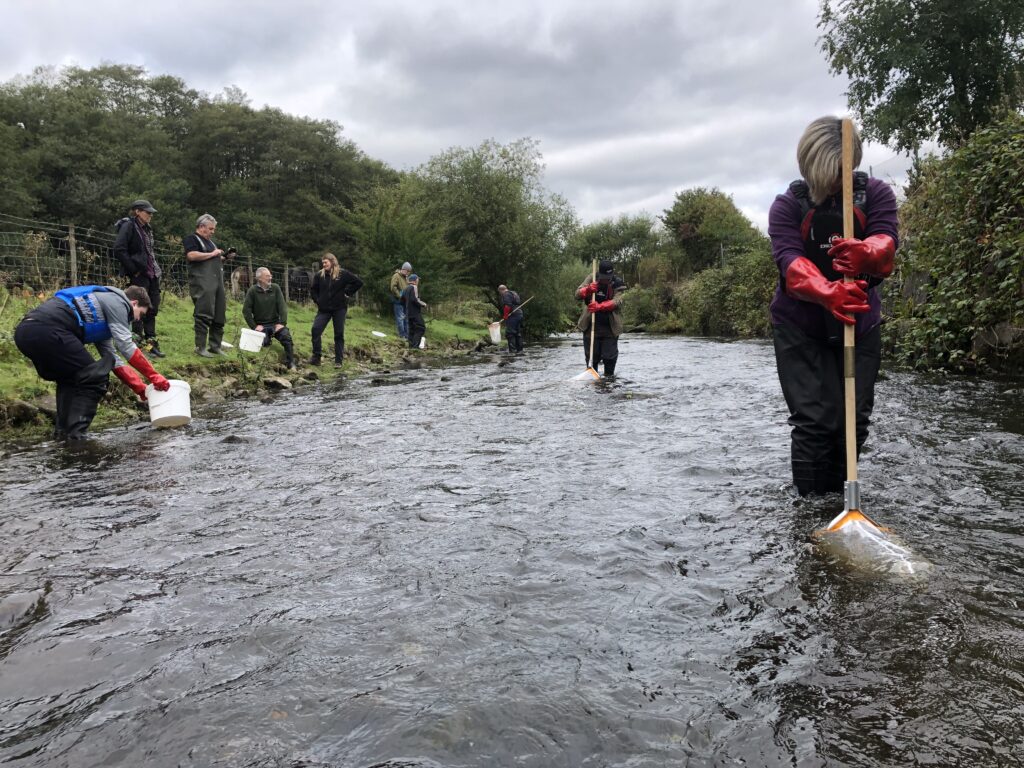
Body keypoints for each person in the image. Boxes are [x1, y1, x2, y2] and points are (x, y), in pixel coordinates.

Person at [767, 116, 898, 497]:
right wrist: (827, 291)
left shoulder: (876, 195)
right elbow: (791, 265)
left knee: (852, 420)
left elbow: (886, 249)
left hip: (860, 322)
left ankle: (843, 503)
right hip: (799, 326)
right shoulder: (786, 206)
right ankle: (810, 509)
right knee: (814, 421)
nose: (832, 186)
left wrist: (866, 252)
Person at [14, 285, 171, 440]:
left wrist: (140, 388)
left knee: (69, 378)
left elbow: (113, 359)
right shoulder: (118, 302)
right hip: (47, 330)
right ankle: (76, 437)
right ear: (134, 303)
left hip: (25, 332)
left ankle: (63, 434)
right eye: (140, 314)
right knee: (95, 377)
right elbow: (126, 346)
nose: (137, 319)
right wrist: (154, 376)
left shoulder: (103, 310)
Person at [112, 200, 165, 358]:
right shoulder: (128, 226)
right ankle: (138, 346)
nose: (150, 215)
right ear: (137, 212)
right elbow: (119, 249)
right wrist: (133, 270)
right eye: (147, 212)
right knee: (138, 311)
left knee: (152, 308)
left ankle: (152, 344)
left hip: (152, 274)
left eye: (151, 213)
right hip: (139, 274)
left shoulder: (148, 229)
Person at [183, 213, 233, 358]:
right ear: (201, 226)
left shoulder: (211, 243)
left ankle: (215, 346)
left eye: (213, 229)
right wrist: (213, 254)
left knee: (219, 314)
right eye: (210, 229)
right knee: (203, 313)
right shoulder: (191, 239)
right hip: (202, 283)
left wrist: (223, 258)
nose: (212, 232)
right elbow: (191, 255)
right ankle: (200, 347)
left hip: (217, 283)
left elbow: (212, 259)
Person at [309, 253, 363, 368]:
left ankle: (338, 361)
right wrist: (318, 300)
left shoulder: (342, 274)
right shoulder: (319, 275)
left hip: (339, 308)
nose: (323, 265)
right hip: (324, 309)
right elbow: (313, 289)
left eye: (326, 262)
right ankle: (316, 357)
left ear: (332, 262)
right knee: (315, 329)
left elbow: (358, 282)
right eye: (322, 263)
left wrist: (347, 293)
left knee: (339, 334)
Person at [576, 260, 626, 376]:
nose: (605, 280)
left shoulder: (617, 283)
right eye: (603, 277)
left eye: (607, 277)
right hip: (591, 326)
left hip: (610, 327)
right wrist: (587, 289)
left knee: (610, 358)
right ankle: (594, 385)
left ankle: (609, 383)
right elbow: (577, 294)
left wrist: (599, 306)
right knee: (592, 358)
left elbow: (617, 301)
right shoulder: (591, 277)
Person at [243, 267, 295, 370]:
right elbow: (246, 310)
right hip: (261, 326)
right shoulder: (252, 291)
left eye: (270, 275)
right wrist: (254, 326)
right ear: (260, 278)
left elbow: (282, 307)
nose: (270, 278)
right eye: (267, 276)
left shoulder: (275, 288)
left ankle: (291, 363)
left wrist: (282, 323)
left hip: (275, 324)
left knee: (286, 338)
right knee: (264, 343)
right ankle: (268, 364)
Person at [401, 274, 428, 349]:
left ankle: (411, 346)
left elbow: (401, 300)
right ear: (415, 280)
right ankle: (415, 346)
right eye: (418, 279)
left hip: (408, 312)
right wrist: (423, 304)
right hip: (415, 312)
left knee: (411, 329)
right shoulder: (414, 287)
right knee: (420, 328)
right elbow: (415, 299)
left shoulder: (405, 288)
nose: (418, 281)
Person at [497, 284, 525, 353]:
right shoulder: (514, 293)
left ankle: (512, 351)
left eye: (500, 292)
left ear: (501, 290)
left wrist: (505, 315)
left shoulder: (506, 294)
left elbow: (507, 306)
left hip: (513, 315)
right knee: (517, 333)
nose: (500, 294)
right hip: (519, 314)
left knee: (510, 333)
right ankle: (520, 350)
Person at [389, 261, 412, 339]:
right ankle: (402, 335)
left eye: (409, 271)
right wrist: (400, 296)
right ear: (403, 269)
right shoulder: (396, 276)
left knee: (405, 318)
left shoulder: (406, 278)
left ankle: (407, 335)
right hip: (398, 300)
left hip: (405, 301)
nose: (408, 273)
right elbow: (393, 287)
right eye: (407, 271)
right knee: (400, 318)